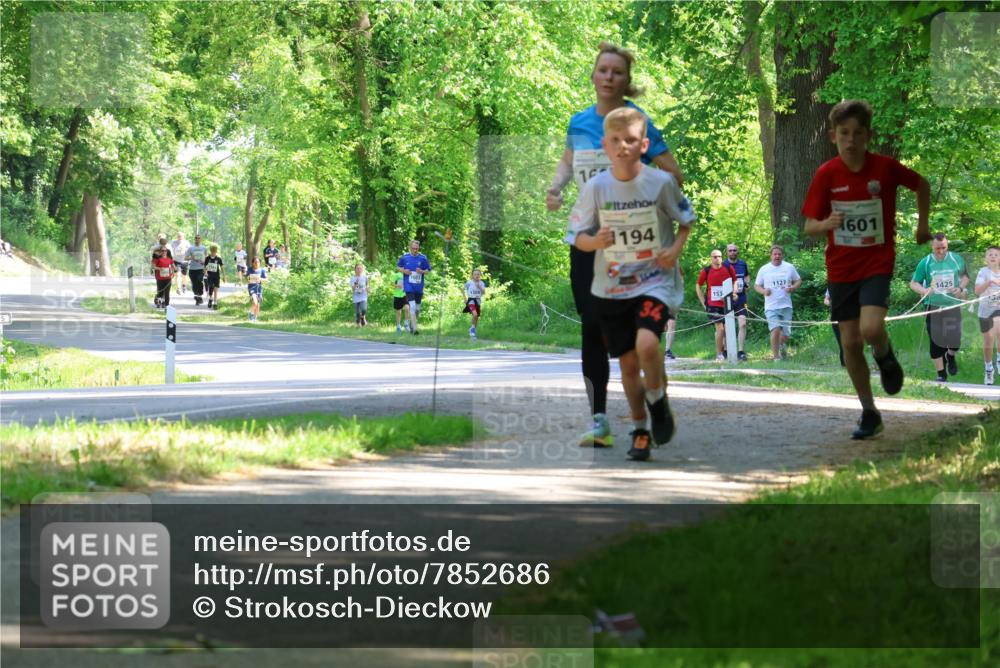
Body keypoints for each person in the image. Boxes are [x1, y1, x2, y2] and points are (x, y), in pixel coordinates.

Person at [546, 41, 684, 449]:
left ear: (627, 80)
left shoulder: (638, 123)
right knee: (592, 326)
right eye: (603, 70)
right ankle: (600, 420)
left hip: (635, 249)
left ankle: (653, 401)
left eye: (617, 72)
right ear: (593, 75)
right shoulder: (579, 123)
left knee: (637, 339)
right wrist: (556, 188)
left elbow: (673, 173)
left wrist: (645, 202)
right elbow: (568, 162)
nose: (608, 77)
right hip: (591, 242)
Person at [566, 106, 695, 461]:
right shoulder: (596, 187)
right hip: (611, 287)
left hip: (654, 281)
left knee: (648, 344)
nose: (623, 146)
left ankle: (657, 399)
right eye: (616, 140)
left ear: (644, 145)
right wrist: (595, 242)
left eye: (631, 140)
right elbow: (576, 236)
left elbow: (686, 219)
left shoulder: (661, 183)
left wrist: (675, 249)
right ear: (605, 146)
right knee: (626, 365)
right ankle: (640, 429)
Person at [804, 98, 931, 439]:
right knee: (850, 344)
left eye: (858, 133)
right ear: (833, 136)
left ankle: (885, 356)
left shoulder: (884, 168)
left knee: (871, 329)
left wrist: (922, 226)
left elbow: (922, 185)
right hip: (841, 269)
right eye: (844, 133)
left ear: (868, 136)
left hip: (876, 261)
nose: (851, 140)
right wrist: (827, 223)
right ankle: (869, 412)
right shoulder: (827, 174)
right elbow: (809, 226)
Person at [909, 233, 970, 382]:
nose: (941, 251)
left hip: (952, 304)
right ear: (932, 246)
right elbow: (914, 283)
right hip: (933, 305)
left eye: (944, 248)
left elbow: (965, 277)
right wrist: (924, 290)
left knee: (955, 339)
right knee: (936, 339)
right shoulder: (926, 262)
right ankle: (941, 374)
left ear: (947, 246)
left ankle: (950, 355)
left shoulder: (956, 259)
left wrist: (960, 288)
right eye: (937, 248)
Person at [754, 245, 802, 361]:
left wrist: (793, 288)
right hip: (771, 306)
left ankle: (781, 345)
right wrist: (764, 291)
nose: (777, 256)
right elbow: (756, 285)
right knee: (775, 330)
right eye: (775, 254)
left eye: (779, 254)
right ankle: (776, 357)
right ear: (771, 256)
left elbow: (798, 280)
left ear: (782, 255)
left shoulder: (789, 267)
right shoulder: (764, 269)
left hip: (786, 305)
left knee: (785, 335)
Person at [696, 250, 738, 361]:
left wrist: (734, 293)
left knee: (728, 329)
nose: (717, 258)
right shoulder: (706, 271)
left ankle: (728, 352)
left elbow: (735, 281)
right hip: (712, 304)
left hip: (727, 303)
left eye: (719, 256)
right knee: (720, 329)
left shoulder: (728, 268)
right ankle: (719, 354)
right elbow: (698, 285)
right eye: (715, 257)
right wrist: (703, 302)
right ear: (711, 258)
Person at [974, 246, 1000, 385]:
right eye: (990, 254)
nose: (993, 257)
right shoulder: (983, 272)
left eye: (996, 254)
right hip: (985, 310)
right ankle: (989, 369)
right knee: (988, 340)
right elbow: (977, 291)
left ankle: (999, 361)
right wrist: (989, 282)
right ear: (986, 258)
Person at [397, 239, 430, 335]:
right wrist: (404, 271)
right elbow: (398, 267)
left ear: (418, 248)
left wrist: (422, 271)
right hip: (409, 286)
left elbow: (428, 270)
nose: (415, 250)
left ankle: (412, 325)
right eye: (413, 248)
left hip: (419, 287)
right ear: (410, 248)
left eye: (417, 248)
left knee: (417, 308)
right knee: (412, 306)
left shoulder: (423, 258)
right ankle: (415, 329)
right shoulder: (405, 257)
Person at [723, 244, 750, 361]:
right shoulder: (723, 265)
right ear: (726, 252)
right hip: (727, 299)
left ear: (737, 252)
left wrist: (747, 283)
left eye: (734, 250)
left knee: (743, 323)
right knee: (725, 326)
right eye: (730, 250)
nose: (732, 252)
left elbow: (747, 276)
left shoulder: (742, 264)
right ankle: (725, 350)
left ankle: (741, 351)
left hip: (741, 298)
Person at [184, 234, 208, 306]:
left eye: (199, 238)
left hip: (200, 268)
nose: (197, 239)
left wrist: (205, 265)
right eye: (196, 238)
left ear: (201, 239)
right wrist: (192, 258)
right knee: (194, 284)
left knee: (199, 281)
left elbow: (206, 258)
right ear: (194, 239)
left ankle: (199, 295)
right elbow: (185, 258)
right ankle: (197, 297)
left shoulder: (204, 248)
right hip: (192, 269)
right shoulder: (191, 248)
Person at [824, 289, 845, 367]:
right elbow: (826, 300)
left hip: (850, 317)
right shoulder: (832, 286)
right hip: (836, 318)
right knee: (841, 342)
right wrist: (830, 303)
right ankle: (844, 363)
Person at [464, 268, 486, 339]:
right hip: (471, 300)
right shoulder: (469, 283)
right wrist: (465, 299)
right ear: (472, 275)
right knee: (475, 314)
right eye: (475, 274)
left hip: (478, 301)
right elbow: (463, 290)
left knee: (476, 317)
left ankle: (473, 329)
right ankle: (472, 331)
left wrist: (479, 286)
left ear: (480, 275)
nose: (477, 275)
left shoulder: (482, 283)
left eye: (478, 274)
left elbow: (484, 292)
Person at [151, 244, 174, 309]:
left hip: (168, 277)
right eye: (162, 251)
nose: (164, 252)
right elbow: (153, 266)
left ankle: (166, 305)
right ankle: (158, 302)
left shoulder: (169, 258)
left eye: (165, 251)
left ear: (167, 251)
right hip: (160, 278)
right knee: (160, 292)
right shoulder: (157, 258)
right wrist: (159, 268)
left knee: (167, 292)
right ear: (160, 252)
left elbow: (173, 266)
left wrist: (174, 271)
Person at [204, 244, 225, 310]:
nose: (213, 253)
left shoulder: (218, 259)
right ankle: (210, 298)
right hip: (210, 276)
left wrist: (224, 276)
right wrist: (205, 272)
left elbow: (222, 267)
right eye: (212, 251)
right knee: (211, 287)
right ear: (210, 251)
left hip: (216, 276)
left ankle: (215, 302)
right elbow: (205, 266)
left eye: (214, 252)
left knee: (216, 289)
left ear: (216, 252)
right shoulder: (207, 258)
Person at [246, 257, 267, 322]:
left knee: (258, 304)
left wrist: (260, 279)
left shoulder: (262, 270)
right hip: (251, 288)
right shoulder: (249, 269)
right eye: (255, 262)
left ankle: (254, 319)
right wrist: (251, 278)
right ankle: (251, 313)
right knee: (255, 302)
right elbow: (247, 278)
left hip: (259, 288)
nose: (257, 263)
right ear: (252, 263)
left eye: (258, 262)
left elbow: (266, 279)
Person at [350, 263, 369, 327]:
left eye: (360, 268)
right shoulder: (353, 278)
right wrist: (356, 282)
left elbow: (367, 285)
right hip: (356, 295)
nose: (359, 270)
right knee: (357, 312)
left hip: (363, 295)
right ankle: (358, 323)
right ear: (355, 269)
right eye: (357, 268)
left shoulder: (365, 277)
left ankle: (362, 317)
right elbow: (353, 289)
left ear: (362, 269)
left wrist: (368, 289)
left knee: (364, 309)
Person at [392, 269, 410, 333]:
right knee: (398, 312)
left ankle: (406, 324)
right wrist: (397, 285)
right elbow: (392, 284)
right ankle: (398, 326)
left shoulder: (408, 275)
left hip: (405, 294)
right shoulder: (396, 275)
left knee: (407, 308)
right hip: (397, 295)